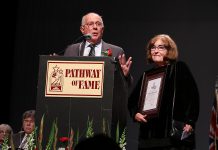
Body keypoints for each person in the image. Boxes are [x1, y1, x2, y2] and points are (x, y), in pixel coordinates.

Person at [128, 34, 199, 150]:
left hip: (172, 136)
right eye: (153, 48)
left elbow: (193, 97)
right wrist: (136, 113)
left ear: (169, 50)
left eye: (160, 47)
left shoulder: (179, 69)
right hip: (148, 137)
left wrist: (190, 121)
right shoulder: (147, 75)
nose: (155, 51)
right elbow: (132, 101)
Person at [64, 12, 133, 85]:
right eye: (90, 24)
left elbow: (127, 85)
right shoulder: (71, 50)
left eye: (98, 24)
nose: (95, 27)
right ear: (82, 29)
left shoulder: (116, 51)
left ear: (102, 30)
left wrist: (125, 76)